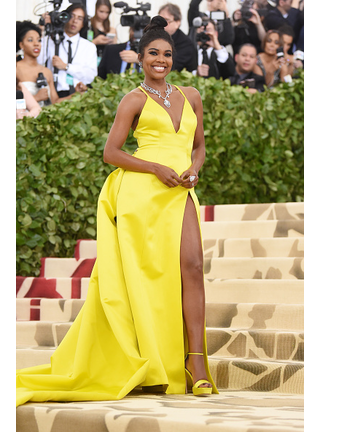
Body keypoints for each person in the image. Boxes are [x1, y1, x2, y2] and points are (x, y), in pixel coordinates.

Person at [16, 15, 218, 407]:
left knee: (192, 266)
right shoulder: (134, 99)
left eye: (167, 54)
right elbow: (112, 152)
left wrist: (194, 168)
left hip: (182, 191)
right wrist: (156, 167)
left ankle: (197, 363)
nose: (160, 60)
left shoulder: (191, 95)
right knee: (144, 280)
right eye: (153, 54)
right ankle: (153, 362)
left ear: (173, 58)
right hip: (144, 193)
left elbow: (199, 146)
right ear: (140, 58)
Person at [38, 3, 98, 98]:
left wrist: (66, 67)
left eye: (80, 18)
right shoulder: (50, 40)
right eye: (72, 16)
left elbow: (91, 76)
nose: (75, 21)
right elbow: (38, 62)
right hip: (51, 93)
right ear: (64, 18)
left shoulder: (89, 47)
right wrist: (43, 29)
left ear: (83, 23)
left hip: (77, 94)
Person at [16, 21, 83, 105]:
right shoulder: (16, 68)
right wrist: (36, 98)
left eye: (39, 40)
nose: (36, 44)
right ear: (21, 45)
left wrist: (76, 95)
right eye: (30, 40)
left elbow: (55, 102)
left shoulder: (46, 72)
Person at [158, 3, 197, 72]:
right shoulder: (155, 38)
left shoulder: (186, 45)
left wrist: (141, 60)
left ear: (177, 22)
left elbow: (170, 66)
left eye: (166, 20)